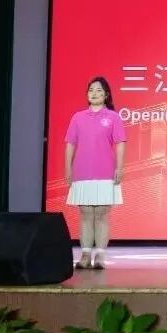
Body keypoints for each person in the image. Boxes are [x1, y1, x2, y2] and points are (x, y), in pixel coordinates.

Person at [65, 76, 126, 270]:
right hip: (82, 172)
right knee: (85, 213)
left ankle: (99, 255)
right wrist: (68, 168)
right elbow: (70, 144)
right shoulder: (78, 117)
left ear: (106, 95)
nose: (94, 93)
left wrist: (120, 167)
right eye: (91, 90)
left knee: (100, 214)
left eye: (99, 90)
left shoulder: (113, 117)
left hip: (105, 172)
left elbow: (120, 143)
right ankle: (84, 255)